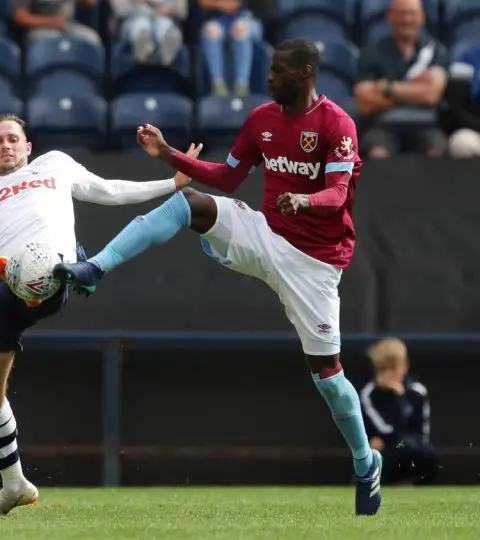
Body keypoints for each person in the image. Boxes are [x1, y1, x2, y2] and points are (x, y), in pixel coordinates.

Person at [55, 37, 383, 516]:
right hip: (265, 232)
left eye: (279, 71)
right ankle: (95, 267)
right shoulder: (262, 119)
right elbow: (228, 178)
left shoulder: (336, 124)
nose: (269, 78)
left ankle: (365, 461)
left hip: (314, 263)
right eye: (269, 69)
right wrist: (169, 154)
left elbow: (337, 193)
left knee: (329, 378)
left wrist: (305, 200)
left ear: (307, 72)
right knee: (187, 204)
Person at [0, 92, 196, 516]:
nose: (6, 145)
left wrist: (171, 184)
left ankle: (71, 267)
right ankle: (15, 484)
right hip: (0, 290)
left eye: (12, 139)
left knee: (40, 267)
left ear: (28, 146)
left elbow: (107, 190)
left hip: (49, 272)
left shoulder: (55, 164)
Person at [353, 0, 448, 159]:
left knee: (437, 152)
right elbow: (364, 101)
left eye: (412, 14)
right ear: (390, 16)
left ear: (422, 17)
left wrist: (386, 88)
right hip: (383, 127)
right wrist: (417, 92)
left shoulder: (437, 51)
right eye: (401, 13)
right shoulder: (372, 52)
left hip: (427, 126)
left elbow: (432, 96)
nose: (407, 19)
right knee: (377, 153)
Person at [361, 338, 435, 485]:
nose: (389, 374)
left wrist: (400, 398)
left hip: (413, 449)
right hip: (385, 453)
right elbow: (387, 431)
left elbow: (421, 433)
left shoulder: (417, 392)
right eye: (383, 370)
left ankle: (417, 485)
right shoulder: (369, 394)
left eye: (393, 368)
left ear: (405, 366)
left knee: (423, 453)